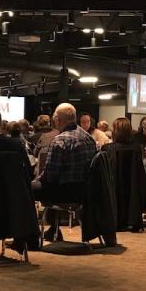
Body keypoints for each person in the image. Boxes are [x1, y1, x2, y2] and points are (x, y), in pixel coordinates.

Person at [34, 103, 97, 241]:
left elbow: (49, 176)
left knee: (25, 189)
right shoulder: (89, 138)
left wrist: (35, 181)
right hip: (85, 192)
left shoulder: (60, 140)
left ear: (57, 120)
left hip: (66, 193)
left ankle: (28, 237)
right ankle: (53, 230)